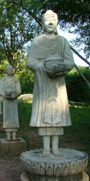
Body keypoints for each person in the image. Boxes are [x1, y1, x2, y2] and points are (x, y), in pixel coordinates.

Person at [26, 10, 74, 157]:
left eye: (53, 19)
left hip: (57, 84)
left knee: (57, 116)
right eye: (47, 19)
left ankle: (56, 148)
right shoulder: (37, 41)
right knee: (45, 115)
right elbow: (30, 61)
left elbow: (69, 61)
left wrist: (60, 68)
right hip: (43, 84)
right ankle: (46, 149)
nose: (51, 22)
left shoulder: (62, 41)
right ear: (43, 23)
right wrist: (44, 66)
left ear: (57, 22)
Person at [0, 65, 21, 141]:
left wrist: (16, 94)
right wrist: (4, 94)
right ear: (6, 70)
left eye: (11, 69)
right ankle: (8, 135)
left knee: (14, 116)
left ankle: (14, 135)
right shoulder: (3, 79)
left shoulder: (16, 80)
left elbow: (18, 89)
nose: (9, 70)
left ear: (13, 70)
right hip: (6, 100)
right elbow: (1, 89)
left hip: (14, 100)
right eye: (8, 69)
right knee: (7, 115)